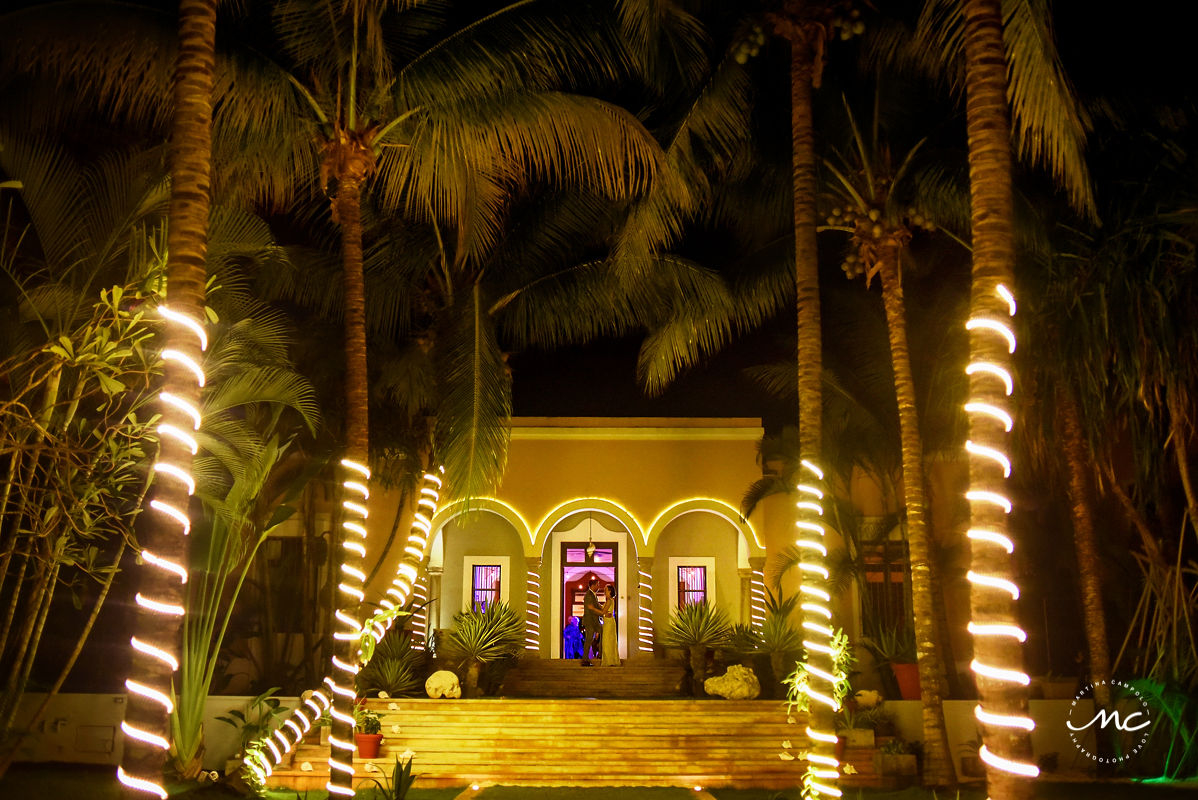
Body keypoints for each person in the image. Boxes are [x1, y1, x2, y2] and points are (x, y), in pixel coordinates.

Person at [580, 577, 603, 666]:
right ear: (593, 585)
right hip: (590, 621)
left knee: (602, 633)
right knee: (589, 639)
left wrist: (604, 609)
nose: (599, 586)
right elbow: (592, 609)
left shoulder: (593, 595)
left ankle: (599, 654)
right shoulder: (589, 595)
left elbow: (597, 606)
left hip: (594, 621)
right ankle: (585, 659)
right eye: (598, 585)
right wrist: (603, 613)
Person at [600, 584, 619, 666]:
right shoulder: (611, 600)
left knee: (607, 641)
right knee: (610, 641)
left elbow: (603, 611)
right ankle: (611, 660)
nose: (605, 591)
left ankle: (608, 661)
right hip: (609, 621)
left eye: (606, 590)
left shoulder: (609, 600)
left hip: (608, 622)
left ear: (610, 591)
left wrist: (593, 608)